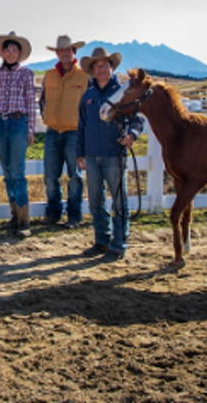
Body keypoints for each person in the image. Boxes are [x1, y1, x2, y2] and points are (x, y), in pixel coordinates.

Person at [76, 47, 145, 263]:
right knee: (96, 200)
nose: (101, 69)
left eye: (104, 65)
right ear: (93, 70)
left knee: (118, 200)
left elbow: (138, 118)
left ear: (111, 67)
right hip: (92, 155)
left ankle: (119, 242)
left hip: (113, 153)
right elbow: (82, 126)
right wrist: (80, 153)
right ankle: (102, 239)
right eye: (97, 66)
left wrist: (132, 135)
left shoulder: (122, 93)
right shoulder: (87, 96)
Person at [0, 32, 37, 237]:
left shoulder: (26, 74)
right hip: (0, 122)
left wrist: (31, 128)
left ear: (19, 53)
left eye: (14, 50)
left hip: (18, 122)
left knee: (17, 170)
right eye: (7, 50)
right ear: (3, 52)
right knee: (7, 171)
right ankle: (14, 215)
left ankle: (25, 220)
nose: (10, 53)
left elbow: (30, 103)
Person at [39, 35, 89, 228]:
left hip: (74, 132)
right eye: (61, 51)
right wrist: (46, 117)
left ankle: (74, 216)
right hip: (53, 130)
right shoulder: (49, 75)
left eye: (68, 50)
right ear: (57, 53)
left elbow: (88, 104)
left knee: (75, 176)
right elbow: (43, 100)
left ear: (74, 52)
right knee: (50, 175)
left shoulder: (84, 76)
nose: (64, 53)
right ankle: (53, 213)